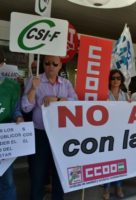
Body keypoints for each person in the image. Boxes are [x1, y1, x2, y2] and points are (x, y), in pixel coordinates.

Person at [22, 55, 78, 200]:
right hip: (40, 134)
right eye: (47, 63)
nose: (51, 66)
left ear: (60, 66)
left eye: (55, 63)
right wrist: (33, 89)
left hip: (61, 135)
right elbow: (26, 108)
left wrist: (57, 99)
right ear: (44, 65)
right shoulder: (34, 81)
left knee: (59, 172)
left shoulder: (66, 83)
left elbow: (75, 103)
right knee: (37, 173)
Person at [0, 49, 24, 200]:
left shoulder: (12, 87)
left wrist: (19, 118)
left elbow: (16, 110)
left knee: (6, 181)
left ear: (1, 64)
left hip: (4, 141)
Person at [103, 69, 128, 200]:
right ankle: (106, 189)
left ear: (122, 80)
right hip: (107, 132)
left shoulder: (125, 95)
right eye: (113, 78)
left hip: (121, 132)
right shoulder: (103, 94)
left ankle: (119, 186)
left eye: (118, 78)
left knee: (120, 160)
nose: (115, 80)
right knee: (108, 160)